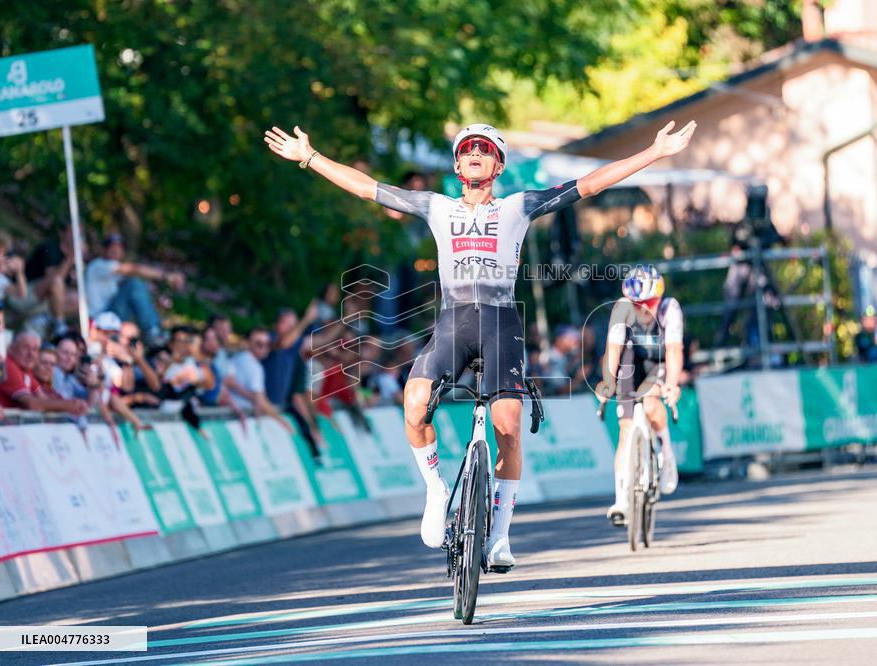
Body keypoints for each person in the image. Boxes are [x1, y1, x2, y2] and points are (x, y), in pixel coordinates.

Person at [265, 116, 696, 568]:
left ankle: (500, 537)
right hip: (452, 322)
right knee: (414, 404)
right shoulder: (437, 207)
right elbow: (367, 188)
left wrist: (653, 152)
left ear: (498, 164)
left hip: (501, 323)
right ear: (456, 164)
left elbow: (587, 185)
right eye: (467, 148)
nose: (475, 153)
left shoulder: (517, 207)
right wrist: (310, 158)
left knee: (507, 425)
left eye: (484, 149)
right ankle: (436, 491)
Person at [595, 266, 683, 526]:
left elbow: (675, 351)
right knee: (625, 429)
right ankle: (622, 499)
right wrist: (607, 383)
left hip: (656, 362)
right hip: (631, 361)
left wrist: (671, 384)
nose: (643, 310)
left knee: (653, 401)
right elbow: (613, 350)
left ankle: (666, 452)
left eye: (648, 304)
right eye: (638, 304)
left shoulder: (670, 309)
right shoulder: (623, 308)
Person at [84, 233, 185, 343]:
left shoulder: (114, 272)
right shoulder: (99, 265)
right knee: (133, 283)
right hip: (100, 316)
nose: (116, 251)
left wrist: (157, 298)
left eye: (119, 248)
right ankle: (153, 331)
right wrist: (166, 276)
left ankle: (153, 332)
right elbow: (134, 269)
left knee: (137, 288)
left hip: (113, 314)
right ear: (104, 249)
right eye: (112, 248)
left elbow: (139, 293)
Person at [0, 331, 88, 415]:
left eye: (35, 349)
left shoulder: (25, 369)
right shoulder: (6, 365)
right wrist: (70, 405)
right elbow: (32, 404)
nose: (31, 354)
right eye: (25, 347)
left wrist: (72, 403)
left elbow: (43, 398)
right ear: (11, 348)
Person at [224, 326, 294, 432]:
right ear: (248, 343)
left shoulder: (240, 358)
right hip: (238, 418)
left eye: (268, 344)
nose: (264, 348)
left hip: (233, 416)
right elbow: (260, 400)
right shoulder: (254, 366)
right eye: (259, 344)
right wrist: (282, 422)